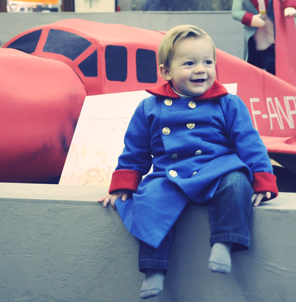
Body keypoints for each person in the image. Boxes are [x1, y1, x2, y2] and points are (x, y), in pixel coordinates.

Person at [98, 25, 278, 299]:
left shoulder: (228, 103)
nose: (201, 70)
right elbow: (135, 149)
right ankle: (153, 269)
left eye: (208, 62)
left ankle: (224, 242)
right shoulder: (149, 107)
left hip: (217, 169)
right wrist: (124, 184)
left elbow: (250, 144)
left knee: (237, 182)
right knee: (149, 199)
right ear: (166, 71)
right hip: (170, 175)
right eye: (189, 63)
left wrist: (262, 180)